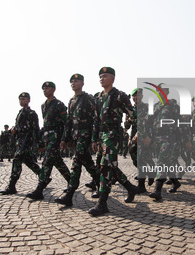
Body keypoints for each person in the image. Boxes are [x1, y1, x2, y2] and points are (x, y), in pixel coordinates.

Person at [88, 67, 138, 216]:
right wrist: (95, 139)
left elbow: (133, 115)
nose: (102, 79)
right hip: (102, 135)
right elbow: (96, 120)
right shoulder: (98, 97)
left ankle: (102, 203)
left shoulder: (119, 96)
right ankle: (130, 187)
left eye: (105, 76)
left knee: (105, 165)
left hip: (113, 135)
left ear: (113, 79)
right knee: (110, 166)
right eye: (100, 76)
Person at [55, 74, 101, 206]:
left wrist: (94, 138)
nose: (73, 83)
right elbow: (69, 121)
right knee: (87, 162)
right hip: (76, 136)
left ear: (82, 83)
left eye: (76, 81)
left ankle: (69, 194)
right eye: (72, 82)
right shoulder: (71, 101)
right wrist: (65, 138)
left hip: (85, 134)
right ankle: (100, 184)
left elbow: (96, 118)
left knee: (76, 162)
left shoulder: (88, 98)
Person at [26, 82, 71, 200]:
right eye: (43, 89)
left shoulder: (59, 104)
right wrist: (41, 140)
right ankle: (72, 182)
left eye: (48, 88)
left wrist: (65, 139)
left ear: (54, 89)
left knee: (46, 161)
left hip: (56, 137)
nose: (45, 90)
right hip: (47, 137)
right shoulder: (43, 105)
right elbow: (45, 124)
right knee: (57, 162)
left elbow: (66, 123)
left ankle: (39, 190)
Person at [0, 92, 42, 195]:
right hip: (20, 141)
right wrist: (13, 130)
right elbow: (18, 126)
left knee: (17, 159)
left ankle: (11, 185)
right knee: (28, 161)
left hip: (27, 141)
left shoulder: (32, 113)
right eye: (20, 99)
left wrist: (39, 143)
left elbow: (34, 128)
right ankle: (43, 175)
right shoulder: (20, 112)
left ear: (28, 100)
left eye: (24, 99)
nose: (21, 101)